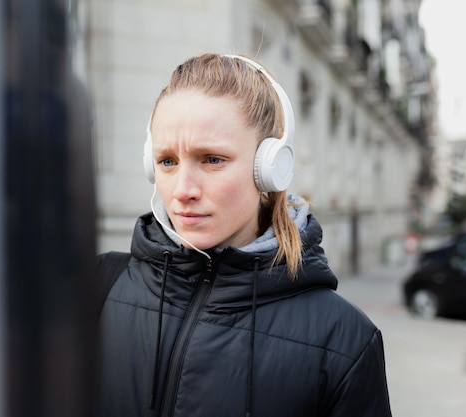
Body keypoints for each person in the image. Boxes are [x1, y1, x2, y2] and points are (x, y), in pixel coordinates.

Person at [96, 53, 392, 417]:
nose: (182, 189)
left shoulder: (344, 340)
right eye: (167, 162)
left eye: (212, 159)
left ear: (269, 169)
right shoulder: (96, 286)